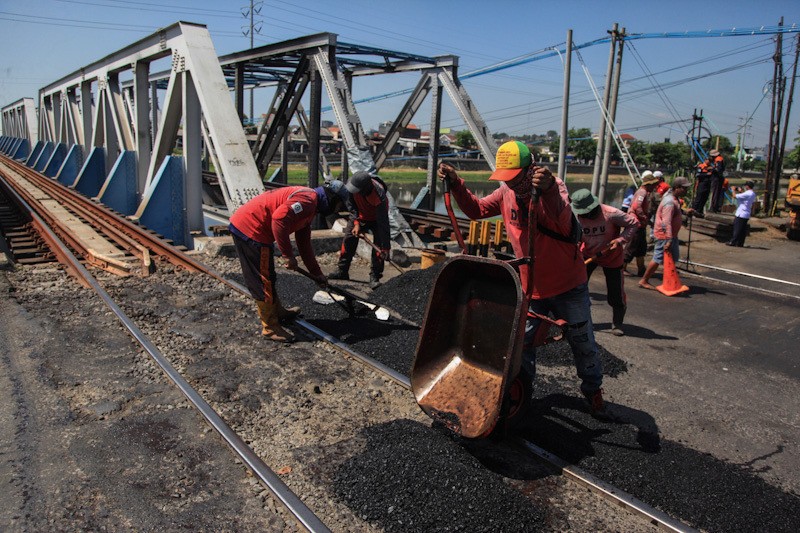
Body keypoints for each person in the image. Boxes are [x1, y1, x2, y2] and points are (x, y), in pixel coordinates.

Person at [437, 141, 608, 417]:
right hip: (530, 288)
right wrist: (457, 184)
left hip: (567, 285)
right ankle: (521, 392)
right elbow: (477, 210)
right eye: (507, 179)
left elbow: (563, 220)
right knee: (522, 346)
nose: (512, 185)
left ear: (531, 169)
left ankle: (593, 392)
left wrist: (549, 189)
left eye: (517, 178)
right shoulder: (506, 192)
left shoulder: (555, 188)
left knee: (582, 341)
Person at [229, 182, 344, 342]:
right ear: (332, 199)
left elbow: (304, 245)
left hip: (255, 229)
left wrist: (317, 273)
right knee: (263, 281)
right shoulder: (308, 200)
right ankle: (270, 327)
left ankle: (278, 311)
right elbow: (278, 218)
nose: (338, 210)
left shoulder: (311, 204)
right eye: (339, 206)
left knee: (269, 275)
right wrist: (288, 255)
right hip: (252, 230)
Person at [571, 189, 639, 336]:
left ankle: (617, 323)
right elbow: (574, 235)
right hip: (588, 254)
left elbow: (633, 224)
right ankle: (579, 320)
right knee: (578, 289)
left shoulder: (611, 213)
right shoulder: (576, 216)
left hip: (611, 256)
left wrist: (620, 240)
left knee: (616, 294)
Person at [329, 170, 391, 290]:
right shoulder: (352, 186)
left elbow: (383, 223)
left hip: (377, 219)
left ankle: (375, 277)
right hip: (359, 215)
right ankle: (342, 271)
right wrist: (356, 222)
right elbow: (351, 206)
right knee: (348, 240)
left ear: (366, 188)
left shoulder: (379, 196)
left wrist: (386, 247)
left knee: (379, 247)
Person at [639, 177, 691, 290]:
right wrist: (668, 239)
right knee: (658, 258)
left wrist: (685, 211)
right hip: (665, 235)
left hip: (671, 234)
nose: (686, 191)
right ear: (677, 188)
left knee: (671, 257)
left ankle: (670, 281)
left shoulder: (673, 198)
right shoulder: (670, 202)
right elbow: (666, 222)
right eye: (684, 188)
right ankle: (644, 280)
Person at [623, 171, 659, 276]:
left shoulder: (643, 192)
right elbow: (636, 206)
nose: (655, 187)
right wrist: (644, 218)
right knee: (631, 246)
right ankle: (622, 267)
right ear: (649, 184)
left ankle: (641, 269)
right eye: (653, 185)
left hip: (640, 225)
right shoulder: (642, 193)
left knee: (641, 248)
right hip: (637, 224)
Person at [727, 180, 757, 247]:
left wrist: (733, 190)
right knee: (742, 229)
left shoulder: (747, 193)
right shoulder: (752, 193)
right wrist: (740, 191)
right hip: (746, 213)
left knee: (737, 228)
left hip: (741, 213)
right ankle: (740, 243)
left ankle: (733, 241)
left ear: (747, 186)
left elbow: (734, 196)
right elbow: (744, 196)